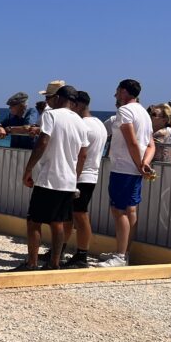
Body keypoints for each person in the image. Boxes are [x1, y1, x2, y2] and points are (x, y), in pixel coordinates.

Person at [15, 86, 89, 271]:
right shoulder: (80, 122)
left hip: (49, 177)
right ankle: (54, 264)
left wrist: (28, 169)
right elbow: (83, 155)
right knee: (57, 223)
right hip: (68, 181)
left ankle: (31, 263)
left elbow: (43, 142)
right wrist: (75, 177)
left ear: (57, 98)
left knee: (33, 222)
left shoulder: (52, 115)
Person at [99, 79, 155, 268]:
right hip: (135, 169)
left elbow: (131, 141)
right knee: (131, 210)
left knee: (118, 210)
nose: (115, 95)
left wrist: (140, 165)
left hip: (123, 167)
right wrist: (144, 164)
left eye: (117, 91)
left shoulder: (124, 111)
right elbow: (150, 145)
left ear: (124, 91)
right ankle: (124, 252)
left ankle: (120, 256)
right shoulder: (145, 114)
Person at [62, 91, 108, 268]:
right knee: (70, 216)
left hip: (79, 175)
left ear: (78, 105)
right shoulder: (99, 124)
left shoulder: (82, 125)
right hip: (90, 174)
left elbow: (79, 154)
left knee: (80, 216)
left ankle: (82, 255)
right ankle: (64, 250)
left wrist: (71, 178)